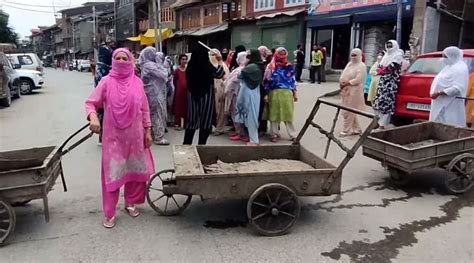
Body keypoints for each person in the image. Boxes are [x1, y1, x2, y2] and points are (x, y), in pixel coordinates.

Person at [85, 48, 155, 229]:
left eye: (126, 58)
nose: (122, 61)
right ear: (113, 61)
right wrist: (93, 117)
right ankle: (110, 211)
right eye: (118, 58)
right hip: (113, 138)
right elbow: (91, 103)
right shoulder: (106, 82)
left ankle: (130, 202)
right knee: (113, 174)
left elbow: (145, 109)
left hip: (136, 136)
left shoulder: (138, 82)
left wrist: (148, 131)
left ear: (131, 60)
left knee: (133, 171)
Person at [184, 44, 225, 145]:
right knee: (205, 121)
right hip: (205, 95)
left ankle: (187, 144)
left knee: (191, 122)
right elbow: (219, 74)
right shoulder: (206, 64)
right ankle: (202, 145)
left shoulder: (190, 65)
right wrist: (220, 61)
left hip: (192, 94)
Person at [263, 47, 298, 143]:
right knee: (274, 115)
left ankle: (293, 135)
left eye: (284, 53)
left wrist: (295, 93)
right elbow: (266, 80)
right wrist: (266, 94)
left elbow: (293, 81)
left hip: (287, 93)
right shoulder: (271, 66)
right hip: (274, 92)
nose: (282, 55)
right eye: (280, 53)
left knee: (288, 115)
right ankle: (274, 134)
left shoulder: (289, 66)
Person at [429, 47, 469, 127]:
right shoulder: (450, 66)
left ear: (452, 56)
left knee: (450, 126)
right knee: (438, 125)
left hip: (451, 103)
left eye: (445, 57)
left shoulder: (460, 69)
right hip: (440, 102)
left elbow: (458, 87)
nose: (443, 59)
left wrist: (439, 93)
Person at [139, 47, 170, 145]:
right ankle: (158, 137)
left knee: (153, 115)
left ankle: (152, 133)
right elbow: (164, 74)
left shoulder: (147, 65)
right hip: (154, 94)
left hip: (152, 93)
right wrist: (161, 63)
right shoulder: (149, 66)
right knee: (157, 115)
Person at [234, 49, 264, 146]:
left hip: (249, 92)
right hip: (254, 92)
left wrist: (245, 65)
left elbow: (239, 75)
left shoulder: (251, 67)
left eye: (248, 56)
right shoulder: (259, 65)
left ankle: (254, 140)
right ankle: (252, 138)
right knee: (251, 114)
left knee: (251, 115)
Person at [373, 40, 404, 130]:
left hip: (390, 83)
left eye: (391, 46)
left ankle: (382, 125)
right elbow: (379, 67)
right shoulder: (386, 55)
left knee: (386, 104)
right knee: (378, 103)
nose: (389, 48)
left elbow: (392, 67)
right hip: (383, 82)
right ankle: (378, 123)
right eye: (388, 46)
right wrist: (382, 70)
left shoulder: (398, 55)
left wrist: (383, 70)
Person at [339, 48, 367, 136]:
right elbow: (344, 73)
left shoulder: (362, 66)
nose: (353, 57)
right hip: (346, 91)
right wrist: (341, 82)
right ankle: (357, 129)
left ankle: (346, 130)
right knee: (349, 110)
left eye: (355, 55)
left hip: (355, 91)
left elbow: (359, 79)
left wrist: (348, 83)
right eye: (352, 55)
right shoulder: (350, 64)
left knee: (348, 111)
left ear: (359, 55)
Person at [226, 52, 247, 140]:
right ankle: (239, 131)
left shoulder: (241, 69)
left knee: (237, 113)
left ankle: (241, 133)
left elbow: (234, 80)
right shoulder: (240, 68)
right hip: (237, 93)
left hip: (237, 93)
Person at [210, 49, 230, 135]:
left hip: (220, 92)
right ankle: (209, 127)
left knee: (220, 110)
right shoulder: (208, 65)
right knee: (211, 110)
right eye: (211, 55)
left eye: (215, 55)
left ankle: (220, 128)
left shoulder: (223, 66)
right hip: (210, 92)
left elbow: (226, 78)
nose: (213, 57)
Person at [258, 45, 273, 134]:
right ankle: (270, 128)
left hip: (263, 88)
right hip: (270, 88)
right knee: (269, 108)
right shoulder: (270, 61)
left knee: (263, 108)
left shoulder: (262, 63)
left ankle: (262, 128)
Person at [173, 54, 188, 130]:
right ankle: (177, 124)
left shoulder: (188, 70)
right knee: (178, 107)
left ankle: (186, 124)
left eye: (185, 59)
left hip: (187, 92)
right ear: (179, 60)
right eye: (183, 59)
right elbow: (174, 81)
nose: (184, 61)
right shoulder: (176, 71)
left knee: (186, 106)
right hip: (179, 92)